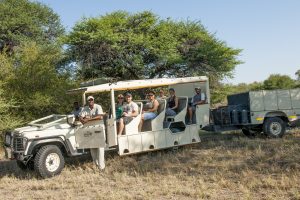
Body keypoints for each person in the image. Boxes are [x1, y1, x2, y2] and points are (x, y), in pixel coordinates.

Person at [79, 95, 105, 170]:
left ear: (93, 100)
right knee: (92, 147)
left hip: (99, 128)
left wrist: (88, 120)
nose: (90, 101)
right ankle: (96, 165)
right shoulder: (85, 108)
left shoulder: (98, 107)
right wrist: (82, 120)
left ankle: (101, 167)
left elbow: (100, 117)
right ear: (88, 101)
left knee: (100, 147)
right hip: (90, 129)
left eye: (91, 100)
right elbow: (80, 116)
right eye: (89, 100)